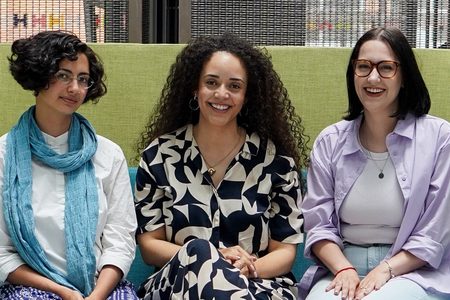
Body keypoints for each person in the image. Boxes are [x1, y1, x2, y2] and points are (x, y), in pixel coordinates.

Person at [134, 32, 309, 299]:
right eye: (211, 82)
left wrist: (247, 268)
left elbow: (285, 251)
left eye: (235, 86)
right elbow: (149, 245)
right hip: (177, 284)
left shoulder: (276, 163)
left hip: (257, 283)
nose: (222, 94)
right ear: (195, 88)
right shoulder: (160, 156)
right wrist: (210, 256)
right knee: (199, 251)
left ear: (247, 95)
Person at [298, 26, 450, 300]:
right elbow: (318, 226)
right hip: (342, 267)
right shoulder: (329, 142)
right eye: (364, 66)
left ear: (404, 76)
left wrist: (386, 269)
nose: (373, 77)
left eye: (386, 67)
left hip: (413, 271)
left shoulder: (440, 139)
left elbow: (434, 233)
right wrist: (343, 269)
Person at [0, 31, 138, 300]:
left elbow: (120, 241)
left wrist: (95, 296)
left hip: (101, 288)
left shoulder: (108, 154)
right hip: (29, 288)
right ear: (39, 76)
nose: (75, 88)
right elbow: (1, 252)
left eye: (83, 79)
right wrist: (63, 292)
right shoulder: (4, 154)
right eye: (63, 75)